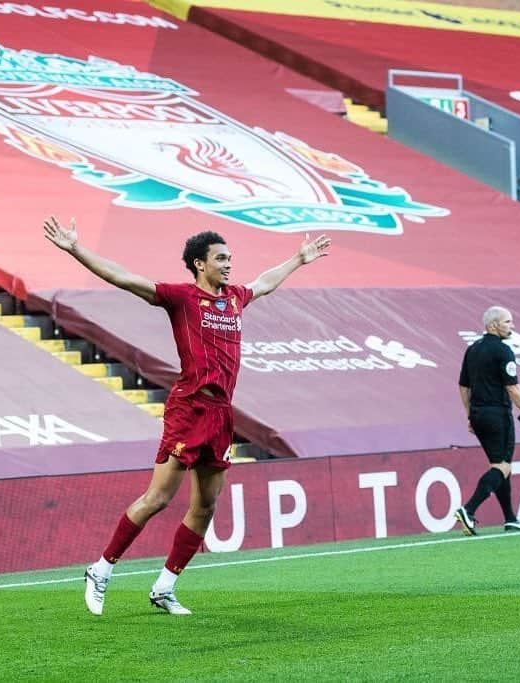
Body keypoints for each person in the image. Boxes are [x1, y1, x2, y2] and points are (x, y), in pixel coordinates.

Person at [43, 217, 331, 615]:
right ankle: (101, 569)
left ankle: (165, 587)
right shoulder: (180, 298)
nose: (229, 264)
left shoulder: (235, 298)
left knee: (206, 506)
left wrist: (298, 259)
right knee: (158, 498)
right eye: (221, 258)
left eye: (230, 258)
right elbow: (125, 278)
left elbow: (264, 282)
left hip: (221, 415)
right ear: (199, 263)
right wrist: (76, 248)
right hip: (189, 408)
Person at [454, 306, 520, 535]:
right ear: (493, 325)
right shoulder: (503, 351)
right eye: (507, 322)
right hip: (497, 415)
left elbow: (464, 386)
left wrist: (469, 414)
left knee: (501, 466)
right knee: (502, 465)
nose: (512, 326)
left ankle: (510, 518)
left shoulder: (472, 349)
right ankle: (468, 509)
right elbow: (512, 387)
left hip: (478, 414)